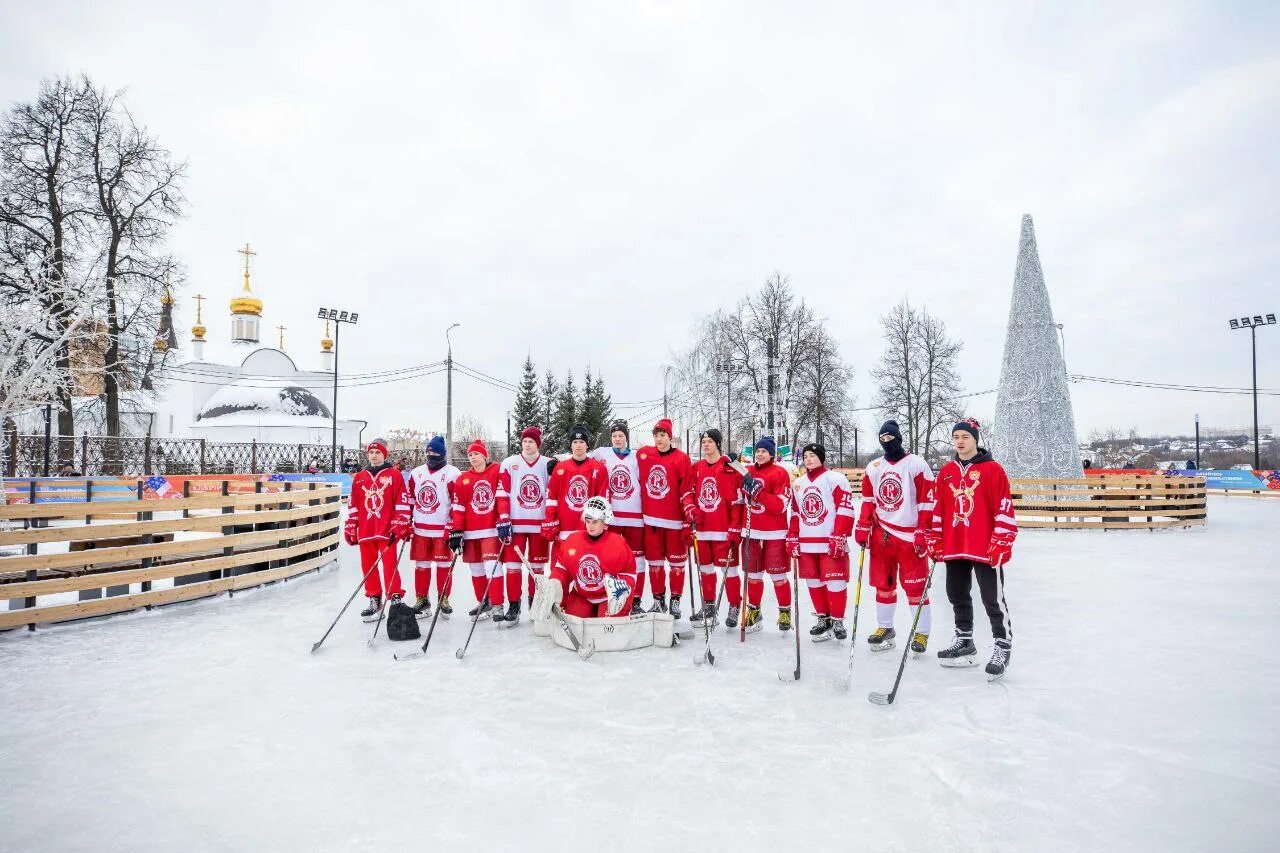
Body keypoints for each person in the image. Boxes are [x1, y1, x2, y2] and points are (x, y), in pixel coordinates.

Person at [926, 418, 1017, 680]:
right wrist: (936, 537)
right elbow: (939, 509)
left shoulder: (993, 470)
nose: (960, 441)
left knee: (992, 598)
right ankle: (965, 640)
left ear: (975, 439)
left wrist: (1002, 540)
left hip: (985, 546)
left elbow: (1003, 507)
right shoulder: (946, 473)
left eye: (965, 436)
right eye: (956, 437)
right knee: (956, 593)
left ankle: (1002, 644)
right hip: (955, 545)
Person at [855, 420, 935, 653]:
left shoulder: (916, 464)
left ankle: (921, 632)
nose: (887, 442)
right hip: (882, 534)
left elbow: (927, 501)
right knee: (883, 585)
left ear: (899, 438)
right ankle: (885, 627)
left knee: (915, 587)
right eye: (883, 439)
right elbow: (869, 501)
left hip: (909, 537)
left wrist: (923, 530)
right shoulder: (874, 466)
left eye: (891, 438)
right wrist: (862, 525)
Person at [786, 443, 855, 641]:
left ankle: (838, 620)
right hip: (807, 542)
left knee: (835, 580)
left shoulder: (835, 479)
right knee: (814, 582)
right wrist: (793, 536)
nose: (808, 459)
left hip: (830, 540)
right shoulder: (798, 483)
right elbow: (796, 512)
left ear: (821, 457)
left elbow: (845, 508)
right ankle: (823, 618)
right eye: (806, 456)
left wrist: (839, 534)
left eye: (812, 455)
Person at [533, 496, 637, 619]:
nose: (590, 526)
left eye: (595, 521)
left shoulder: (618, 544)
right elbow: (562, 569)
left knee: (606, 629)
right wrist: (555, 583)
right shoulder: (572, 541)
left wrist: (621, 590)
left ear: (604, 521)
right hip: (581, 595)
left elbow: (630, 574)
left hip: (608, 597)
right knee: (574, 624)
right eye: (588, 521)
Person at [682, 428, 745, 629]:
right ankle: (709, 606)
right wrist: (690, 510)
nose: (706, 444)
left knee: (730, 571)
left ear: (718, 443)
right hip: (702, 528)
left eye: (710, 441)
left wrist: (735, 528)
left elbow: (738, 501)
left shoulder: (729, 467)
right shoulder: (696, 467)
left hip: (724, 529)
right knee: (705, 569)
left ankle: (734, 605)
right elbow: (687, 493)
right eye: (703, 441)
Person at [345, 438, 412, 620]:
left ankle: (395, 596)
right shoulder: (359, 477)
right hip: (366, 530)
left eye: (378, 452)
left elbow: (402, 501)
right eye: (371, 452)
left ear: (384, 454)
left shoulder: (394, 475)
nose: (374, 456)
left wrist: (399, 523)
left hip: (386, 530)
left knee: (390, 564)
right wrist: (351, 525)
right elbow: (354, 504)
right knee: (368, 565)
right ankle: (374, 597)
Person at [637, 418, 693, 618]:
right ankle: (658, 600)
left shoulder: (681, 458)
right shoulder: (644, 454)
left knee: (677, 564)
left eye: (663, 435)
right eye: (656, 435)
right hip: (651, 520)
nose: (659, 439)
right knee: (655, 563)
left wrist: (688, 519)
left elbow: (686, 489)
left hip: (675, 521)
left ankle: (675, 601)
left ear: (670, 437)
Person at [591, 419, 647, 614]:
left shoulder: (637, 457)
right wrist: (555, 462)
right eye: (614, 436)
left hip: (635, 517)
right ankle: (609, 595)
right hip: (612, 517)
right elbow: (579, 456)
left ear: (626, 438)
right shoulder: (602, 453)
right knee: (609, 557)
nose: (617, 439)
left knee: (638, 559)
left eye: (621, 436)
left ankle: (636, 599)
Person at [497, 425, 553, 615]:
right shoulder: (509, 463)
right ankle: (513, 605)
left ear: (538, 444)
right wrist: (504, 518)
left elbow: (554, 493)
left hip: (540, 525)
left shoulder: (548, 463)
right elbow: (502, 493)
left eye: (531, 442)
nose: (527, 445)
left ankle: (535, 603)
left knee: (537, 568)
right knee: (512, 567)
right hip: (516, 525)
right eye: (525, 441)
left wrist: (552, 520)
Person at [741, 436, 794, 632]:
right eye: (758, 451)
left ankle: (784, 611)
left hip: (775, 533)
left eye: (764, 451)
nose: (760, 454)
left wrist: (759, 494)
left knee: (778, 576)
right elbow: (729, 473)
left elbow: (780, 506)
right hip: (751, 532)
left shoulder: (780, 473)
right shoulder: (748, 471)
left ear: (771, 453)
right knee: (753, 576)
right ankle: (754, 611)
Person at [405, 435, 460, 619]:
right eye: (429, 452)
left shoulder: (452, 473)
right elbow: (410, 500)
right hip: (420, 529)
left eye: (435, 453)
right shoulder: (416, 473)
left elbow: (457, 503)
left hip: (441, 529)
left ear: (443, 454)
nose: (431, 455)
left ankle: (444, 598)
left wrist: (452, 526)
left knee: (444, 564)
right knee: (421, 565)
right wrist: (407, 522)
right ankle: (422, 599)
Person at [450, 439, 505, 622]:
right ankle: (484, 602)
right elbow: (458, 508)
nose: (473, 458)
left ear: (484, 455)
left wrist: (503, 520)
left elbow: (503, 497)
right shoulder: (463, 479)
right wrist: (456, 531)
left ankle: (497, 604)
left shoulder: (496, 471)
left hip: (490, 530)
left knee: (491, 566)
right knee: (476, 569)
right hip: (470, 532)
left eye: (476, 454)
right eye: (470, 455)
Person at [542, 424, 609, 560]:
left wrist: (601, 524)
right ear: (571, 445)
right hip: (563, 530)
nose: (578, 445)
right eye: (575, 442)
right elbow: (551, 497)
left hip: (588, 529)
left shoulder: (599, 468)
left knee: (585, 573)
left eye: (582, 442)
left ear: (587, 445)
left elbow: (603, 499)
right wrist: (550, 520)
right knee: (559, 574)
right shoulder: (560, 468)